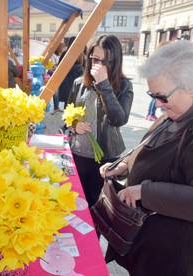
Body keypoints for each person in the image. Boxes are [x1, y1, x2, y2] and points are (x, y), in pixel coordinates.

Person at [100, 41, 193, 275]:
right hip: (158, 251)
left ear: (192, 88)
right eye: (152, 96)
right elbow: (158, 153)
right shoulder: (180, 112)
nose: (158, 104)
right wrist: (124, 166)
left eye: (162, 96)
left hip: (189, 259)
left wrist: (144, 191)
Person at [67, 35, 133, 207]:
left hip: (105, 158)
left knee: (97, 207)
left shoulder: (124, 85)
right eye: (95, 59)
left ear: (115, 61)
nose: (99, 66)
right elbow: (68, 115)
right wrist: (75, 125)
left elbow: (119, 119)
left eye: (106, 61)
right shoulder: (79, 83)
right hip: (79, 154)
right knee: (76, 203)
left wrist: (104, 84)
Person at [58, 37, 84, 108]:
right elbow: (83, 66)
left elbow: (59, 66)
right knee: (75, 100)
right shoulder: (80, 53)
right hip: (76, 78)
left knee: (68, 102)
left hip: (66, 79)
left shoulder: (65, 52)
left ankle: (67, 117)